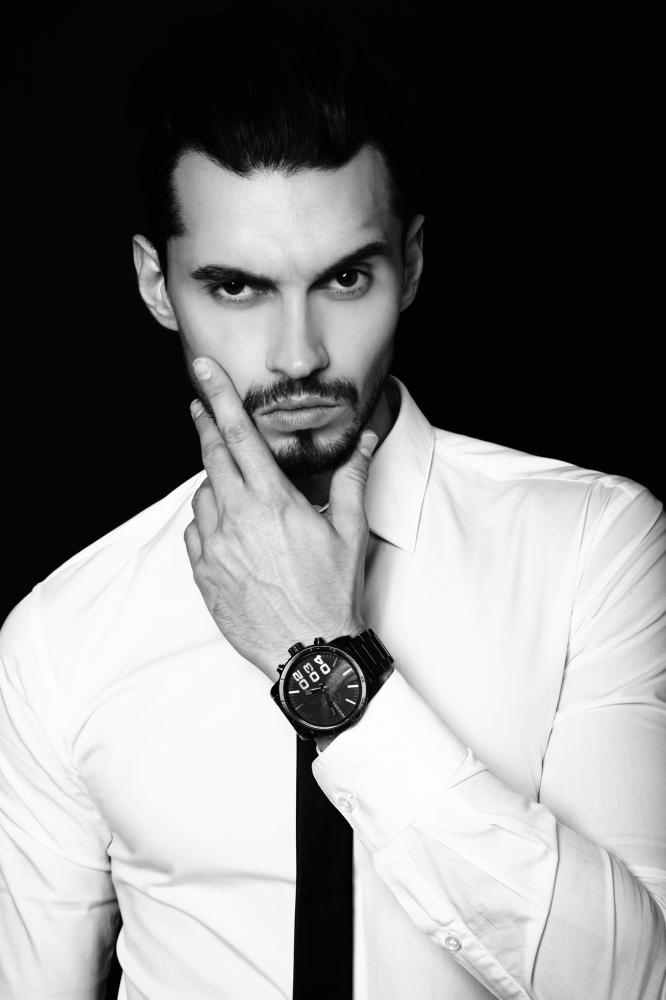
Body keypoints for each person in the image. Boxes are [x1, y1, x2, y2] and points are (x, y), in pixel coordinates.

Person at [1, 5, 664, 999]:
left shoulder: (589, 547)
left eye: (346, 278)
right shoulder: (61, 637)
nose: (300, 353)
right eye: (236, 288)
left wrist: (325, 661)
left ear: (412, 263)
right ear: (155, 284)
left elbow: (635, 977)